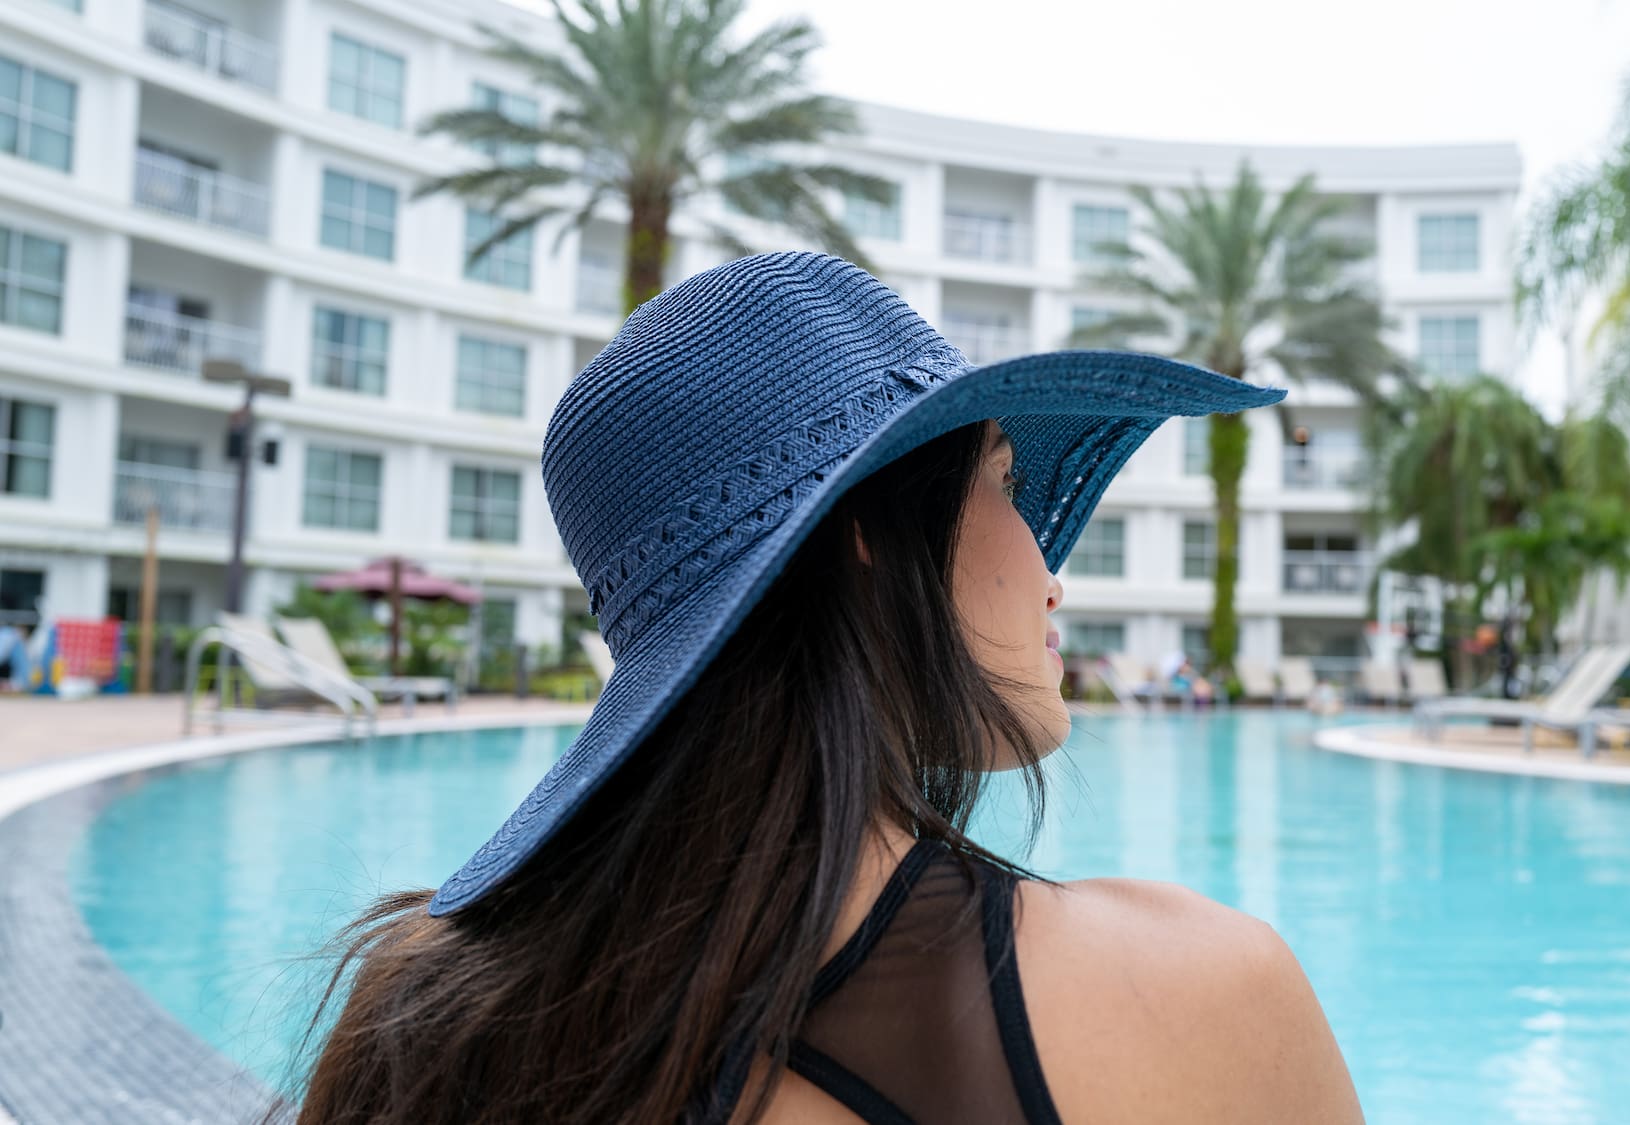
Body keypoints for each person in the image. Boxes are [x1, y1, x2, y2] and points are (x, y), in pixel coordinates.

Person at [279, 253, 1364, 1125]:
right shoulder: (1191, 1000)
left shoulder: (427, 1024)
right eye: (999, 482)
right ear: (863, 533)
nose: (1050, 568)